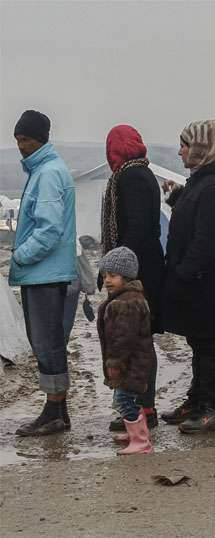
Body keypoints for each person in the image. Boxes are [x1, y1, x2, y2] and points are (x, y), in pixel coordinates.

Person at [159, 119, 215, 433]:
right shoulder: (203, 181)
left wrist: (182, 273)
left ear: (203, 148)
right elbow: (195, 215)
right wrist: (177, 197)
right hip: (196, 280)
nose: (180, 152)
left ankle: (213, 408)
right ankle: (197, 399)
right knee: (199, 342)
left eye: (185, 144)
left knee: (207, 344)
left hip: (203, 281)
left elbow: (208, 239)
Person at [11, 110, 78, 437]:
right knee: (48, 342)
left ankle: (54, 411)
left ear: (40, 138)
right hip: (46, 273)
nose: (21, 146)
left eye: (25, 139)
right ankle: (58, 411)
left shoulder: (48, 173)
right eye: (18, 140)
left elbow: (49, 230)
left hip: (44, 273)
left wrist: (20, 256)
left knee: (47, 343)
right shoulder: (44, 170)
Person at [102, 124, 165, 432]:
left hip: (138, 269)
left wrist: (121, 272)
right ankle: (140, 406)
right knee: (140, 338)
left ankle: (142, 409)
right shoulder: (141, 173)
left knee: (136, 340)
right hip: (143, 265)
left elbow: (137, 227)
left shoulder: (132, 177)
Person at [97, 247, 156, 455]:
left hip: (131, 364)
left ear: (127, 276)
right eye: (105, 275)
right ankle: (136, 433)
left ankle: (141, 442)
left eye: (113, 276)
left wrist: (115, 364)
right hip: (134, 363)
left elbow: (123, 340)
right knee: (128, 400)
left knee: (123, 400)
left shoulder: (126, 303)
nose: (107, 280)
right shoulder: (126, 298)